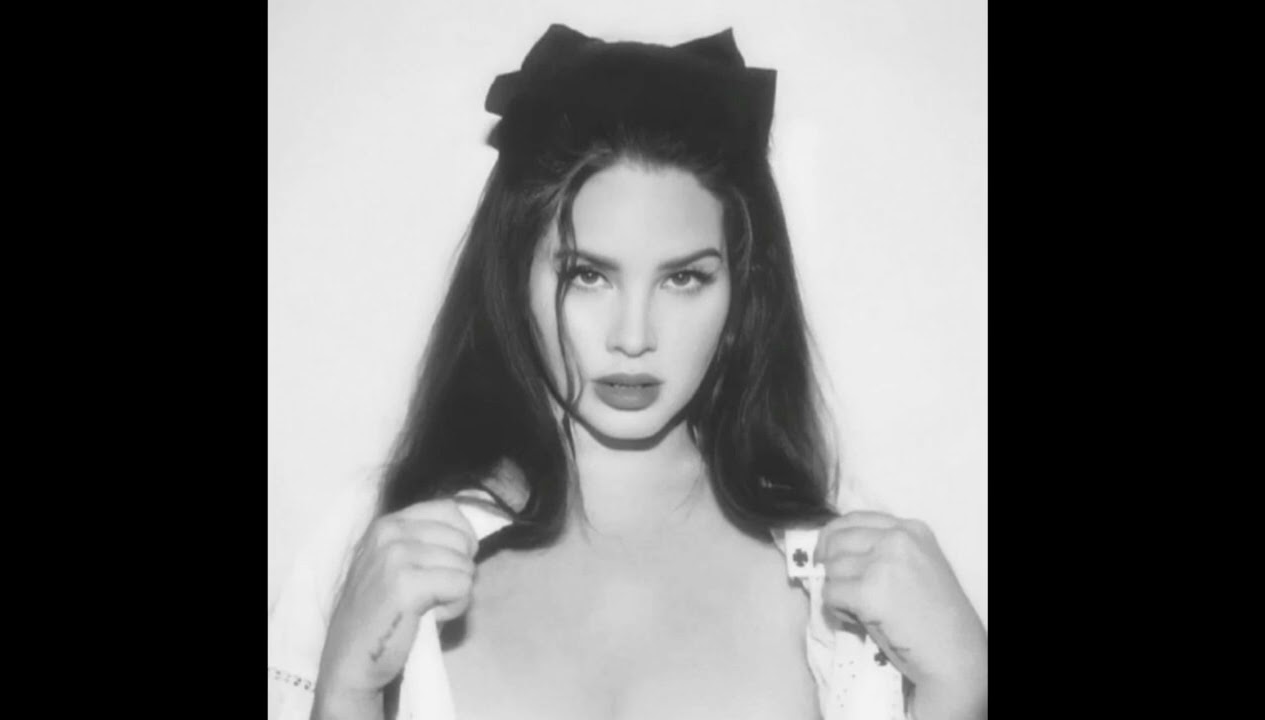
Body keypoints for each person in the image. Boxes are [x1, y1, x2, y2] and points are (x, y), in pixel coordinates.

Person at [268, 24, 987, 720]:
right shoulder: (376, 538)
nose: (633, 337)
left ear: (742, 291)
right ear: (512, 275)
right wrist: (344, 696)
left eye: (683, 279)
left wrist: (961, 689)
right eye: (587, 275)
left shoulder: (844, 558)